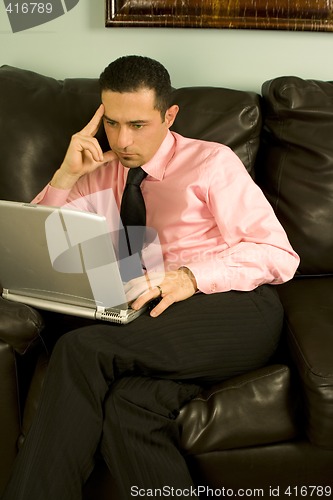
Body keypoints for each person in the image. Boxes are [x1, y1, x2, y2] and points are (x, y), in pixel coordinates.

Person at [2, 55, 300, 500]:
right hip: (154, 317)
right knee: (129, 408)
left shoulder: (211, 163)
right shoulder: (96, 170)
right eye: (113, 124)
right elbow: (40, 248)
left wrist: (190, 276)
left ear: (169, 116)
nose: (123, 140)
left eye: (138, 125)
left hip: (234, 308)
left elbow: (277, 253)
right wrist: (64, 177)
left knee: (83, 350)